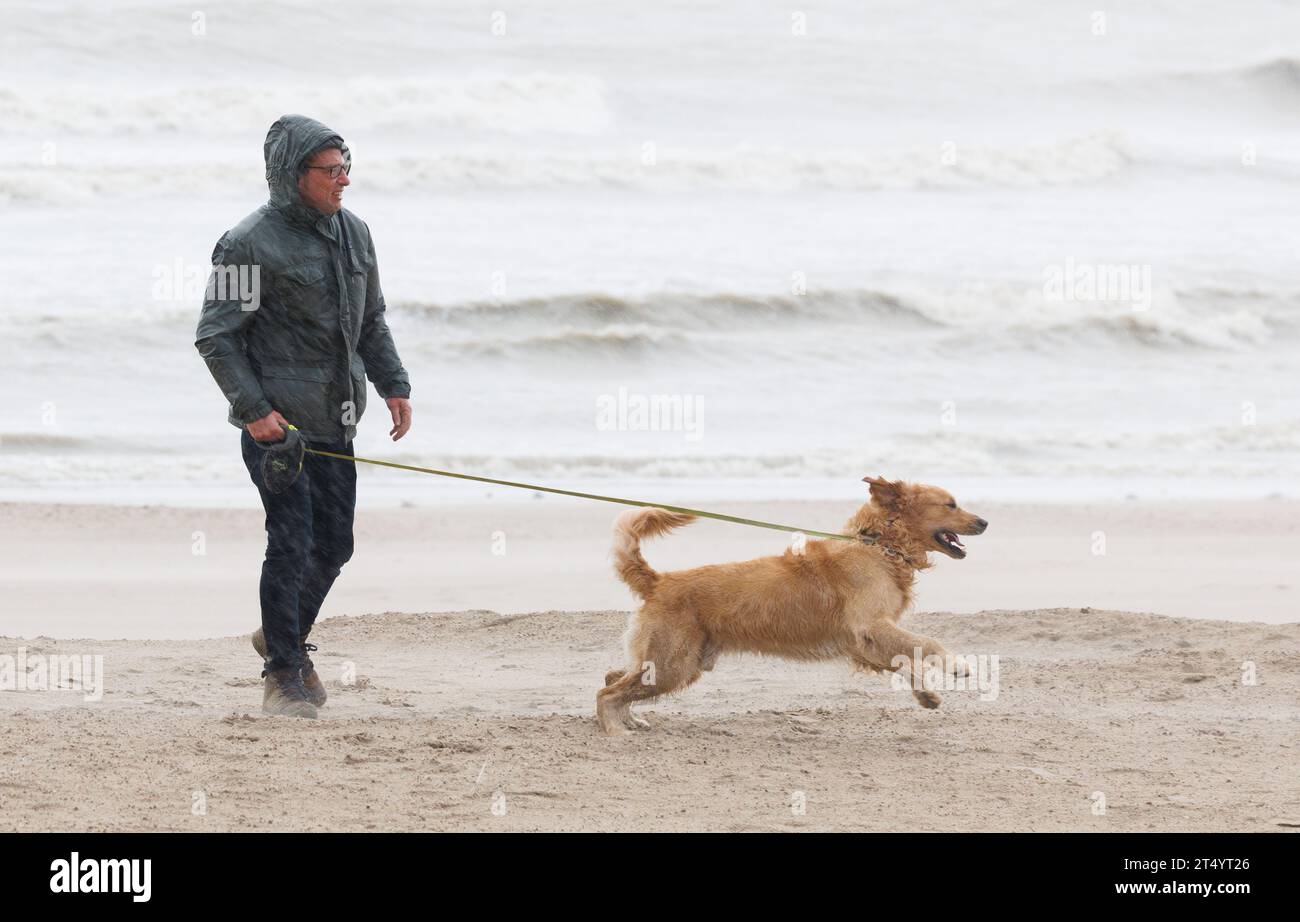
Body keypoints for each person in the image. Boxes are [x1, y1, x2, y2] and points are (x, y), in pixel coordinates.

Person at [195, 114, 413, 718]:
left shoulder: (355, 232)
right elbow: (217, 337)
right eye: (331, 170)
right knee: (291, 543)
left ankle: (281, 630)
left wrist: (394, 383)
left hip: (337, 417)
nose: (344, 179)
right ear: (294, 175)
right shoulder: (247, 242)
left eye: (348, 167)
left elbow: (371, 320)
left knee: (335, 544)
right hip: (279, 429)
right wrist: (255, 411)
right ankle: (284, 672)